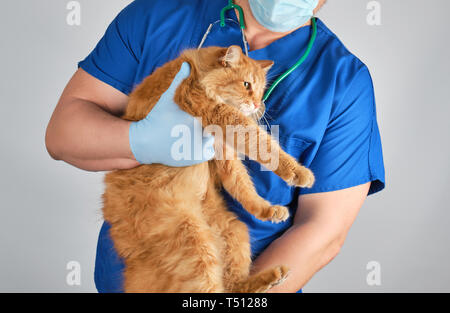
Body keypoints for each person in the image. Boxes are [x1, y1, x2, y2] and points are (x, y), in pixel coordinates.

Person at [45, 0, 385, 293]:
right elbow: (62, 135)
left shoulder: (344, 81)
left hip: (240, 276)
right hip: (136, 262)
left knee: (228, 237)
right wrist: (141, 141)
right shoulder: (156, 15)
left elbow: (324, 231)